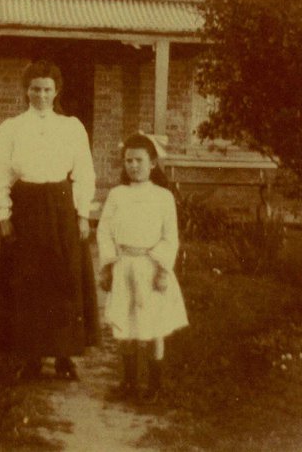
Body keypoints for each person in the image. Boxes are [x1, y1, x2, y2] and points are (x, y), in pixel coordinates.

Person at [0, 60, 100, 381]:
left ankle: (65, 356)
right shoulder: (11, 128)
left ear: (56, 92)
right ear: (26, 91)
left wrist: (82, 215)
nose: (41, 95)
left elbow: (84, 173)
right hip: (25, 207)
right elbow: (3, 175)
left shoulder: (71, 127)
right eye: (35, 89)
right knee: (28, 281)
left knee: (64, 279)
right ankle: (31, 357)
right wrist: (4, 214)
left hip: (62, 206)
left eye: (47, 89)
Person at [97, 133, 188, 403]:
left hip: (151, 268)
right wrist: (107, 266)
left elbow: (169, 236)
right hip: (125, 265)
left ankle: (155, 386)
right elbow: (104, 232)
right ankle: (129, 382)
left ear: (152, 164)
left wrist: (162, 269)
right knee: (126, 325)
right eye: (128, 160)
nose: (133, 166)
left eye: (139, 160)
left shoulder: (163, 197)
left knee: (153, 326)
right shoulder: (117, 195)